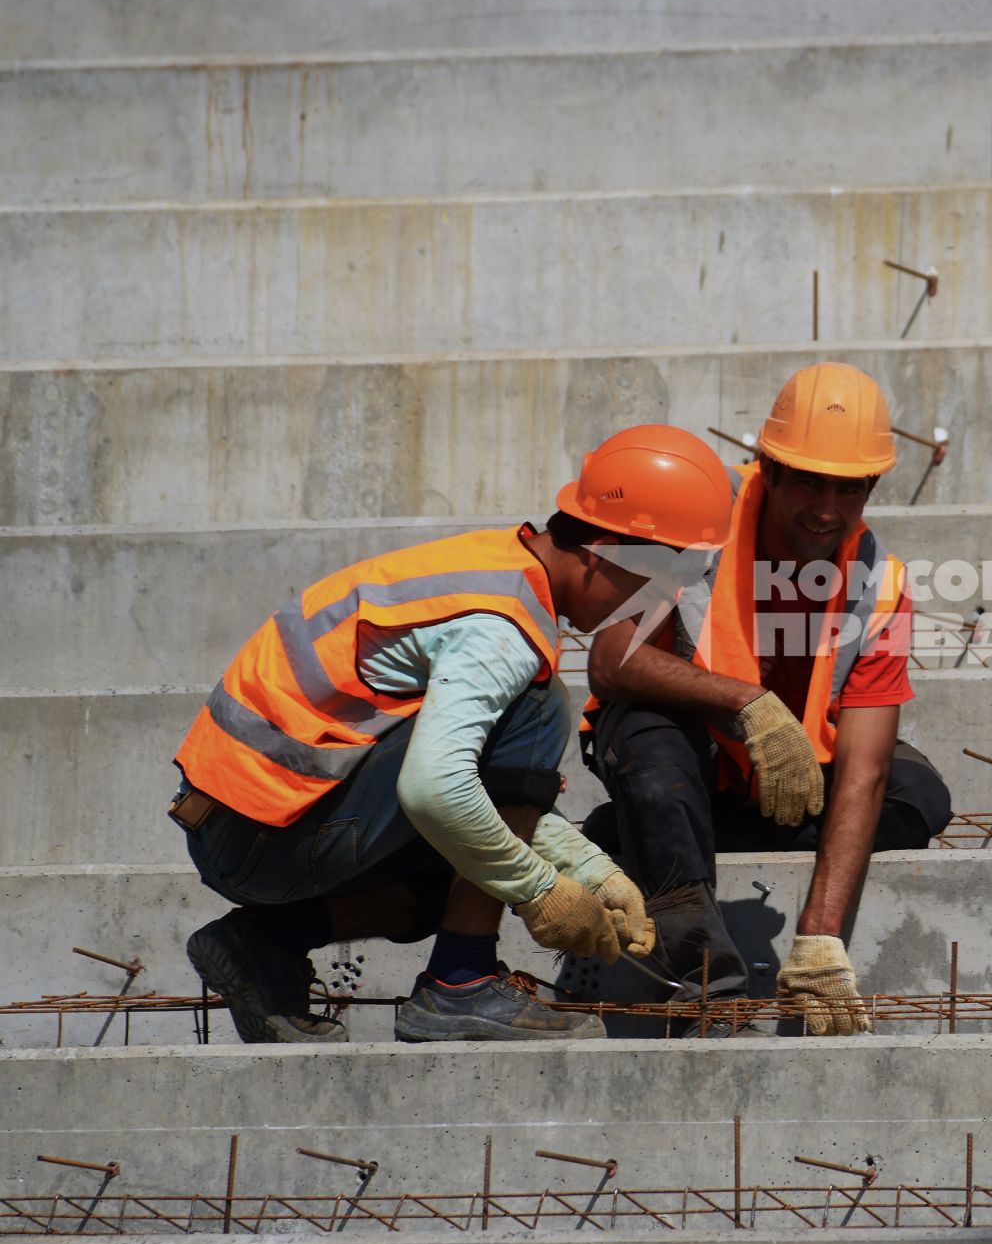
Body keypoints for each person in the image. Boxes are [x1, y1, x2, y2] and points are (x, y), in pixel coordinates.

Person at [169, 426, 734, 1042]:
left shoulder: (501, 568)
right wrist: (542, 890)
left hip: (248, 825)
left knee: (475, 859)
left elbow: (470, 802)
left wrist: (591, 871)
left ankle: (264, 944)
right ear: (601, 550)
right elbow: (437, 789)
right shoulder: (503, 625)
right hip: (268, 830)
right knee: (540, 708)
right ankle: (461, 985)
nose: (655, 601)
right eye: (658, 577)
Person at [578, 363, 951, 1037]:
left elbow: (863, 768)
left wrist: (819, 937)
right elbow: (610, 660)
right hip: (682, 752)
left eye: (849, 488)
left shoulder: (880, 582)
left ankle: (645, 832)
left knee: (915, 795)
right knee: (652, 750)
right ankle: (695, 968)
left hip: (781, 782)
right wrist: (747, 704)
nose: (827, 508)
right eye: (808, 480)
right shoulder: (699, 520)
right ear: (768, 468)